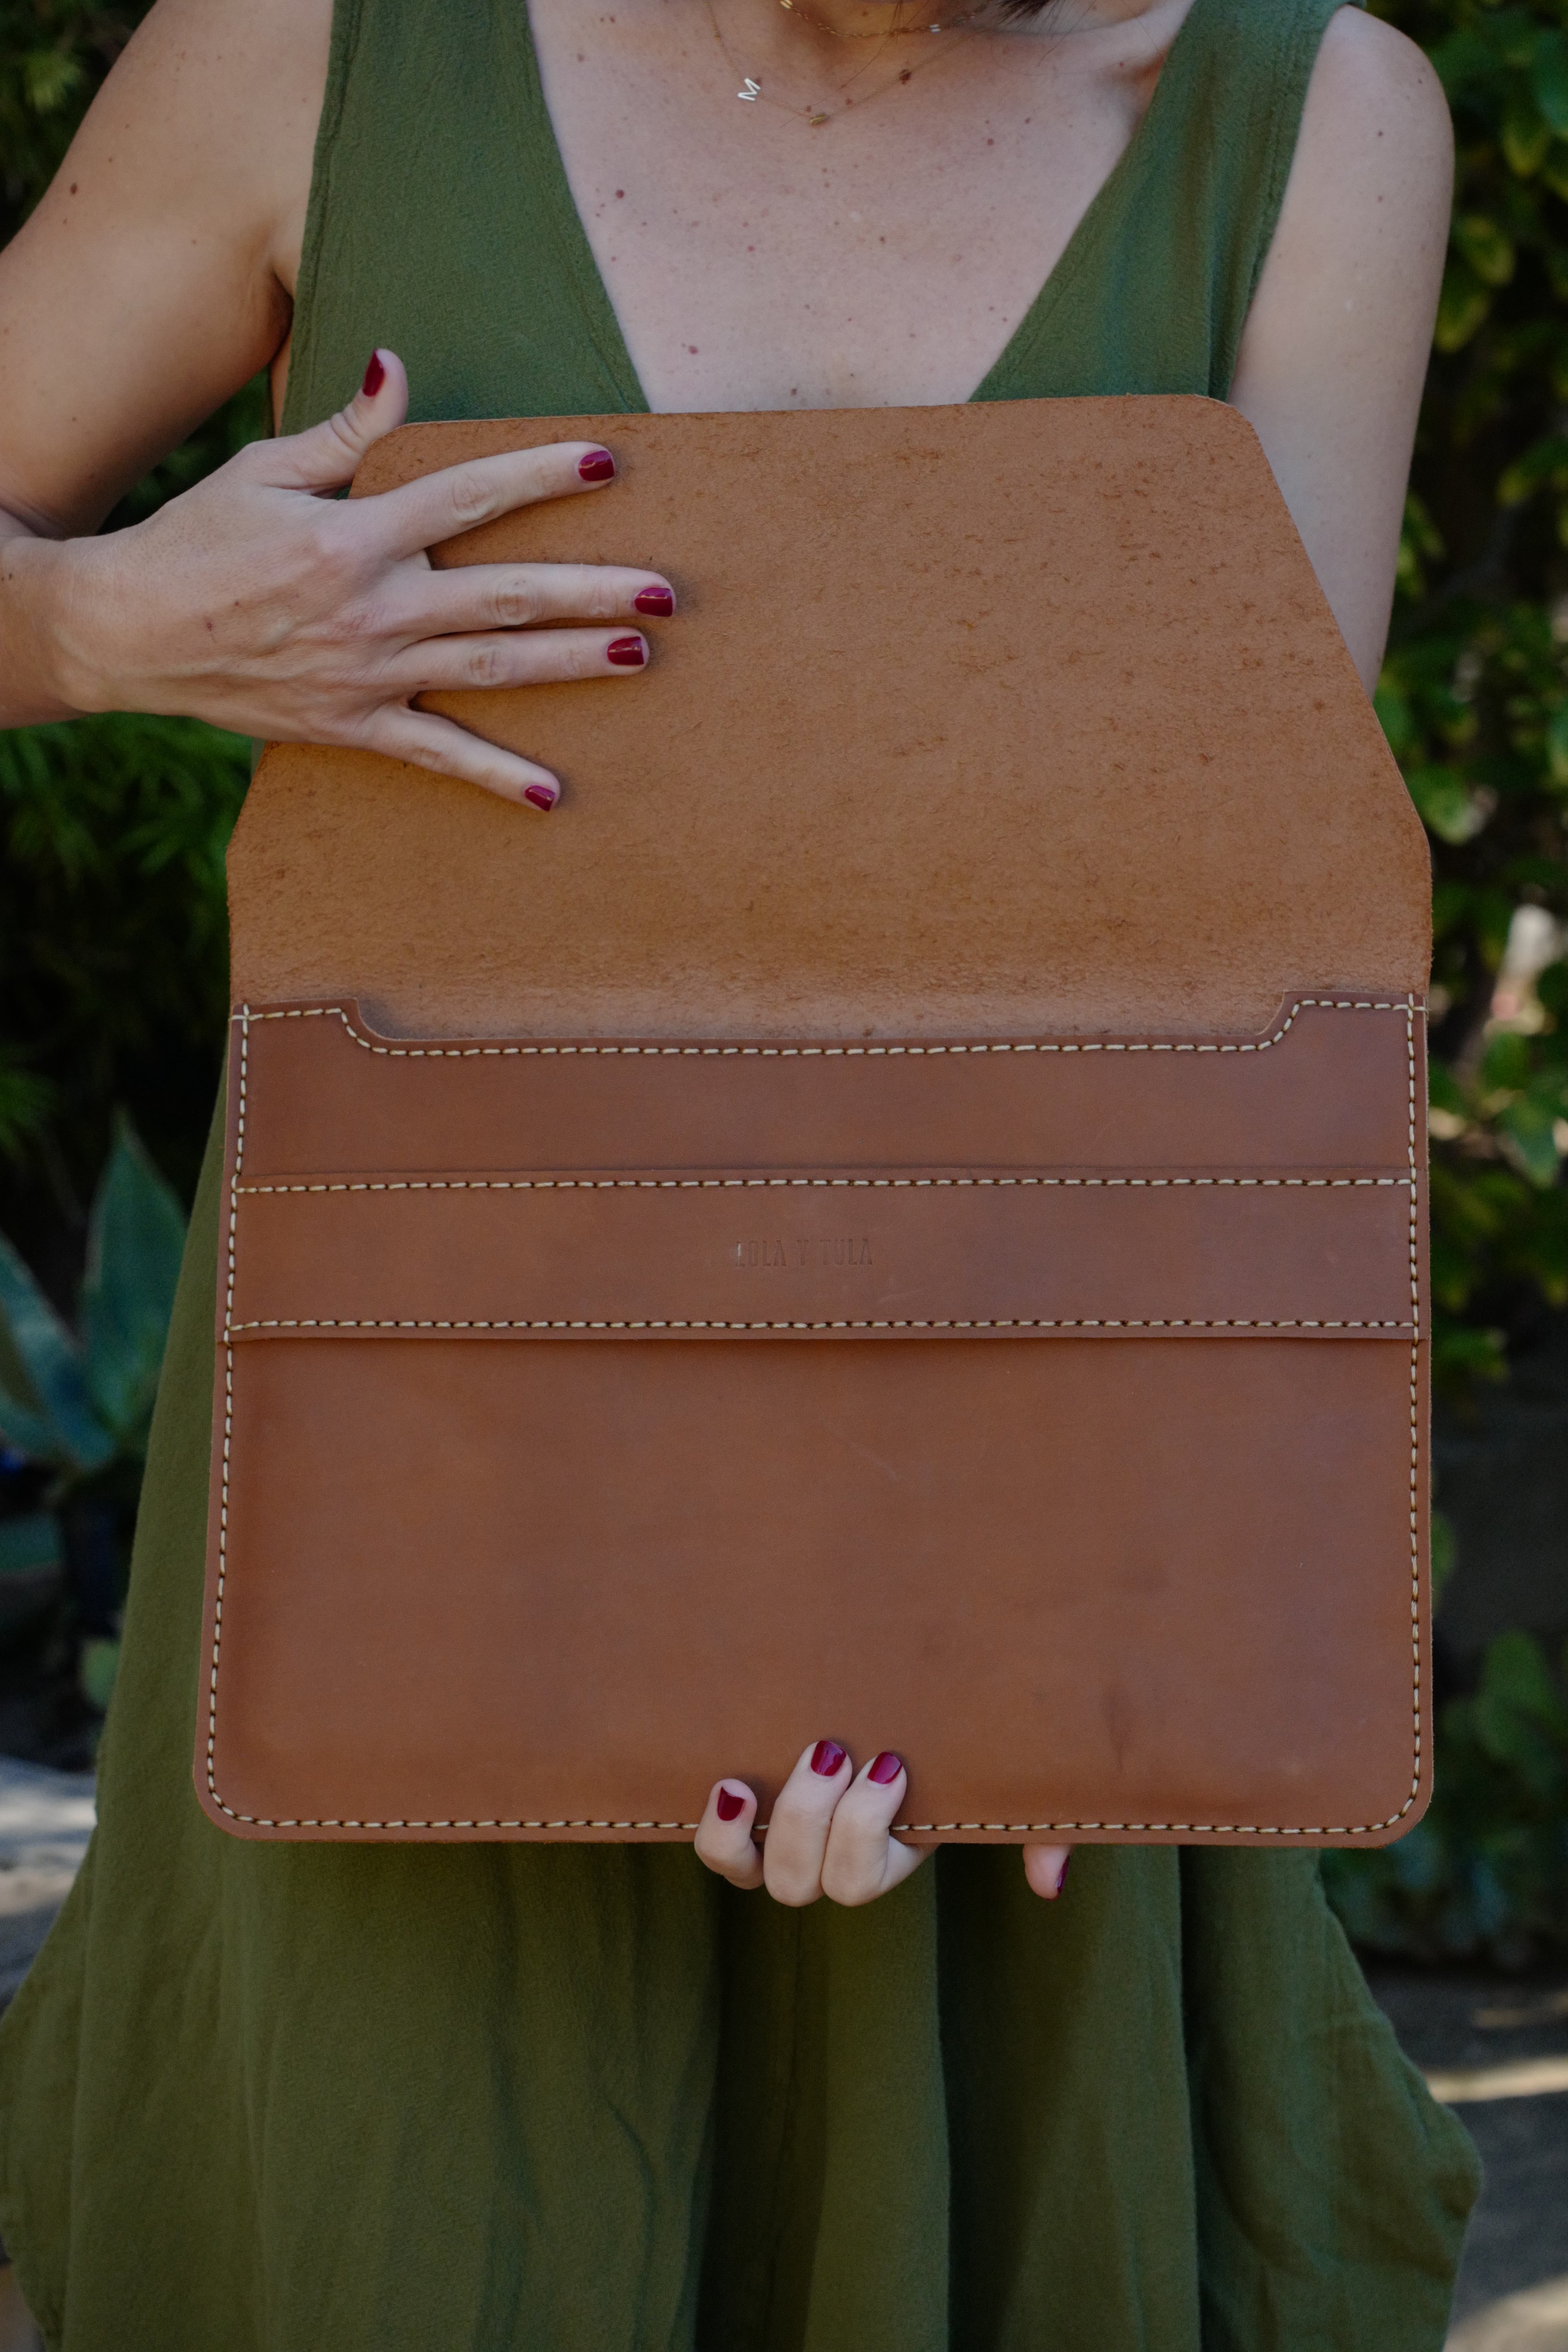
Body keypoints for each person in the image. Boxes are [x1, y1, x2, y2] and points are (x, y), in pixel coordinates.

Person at [0, 0, 1479, 2344]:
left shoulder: (1303, 119)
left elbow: (1229, 948)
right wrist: (96, 624)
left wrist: (1101, 1604)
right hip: (417, 1468)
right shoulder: (317, 50)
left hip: (1024, 1488)